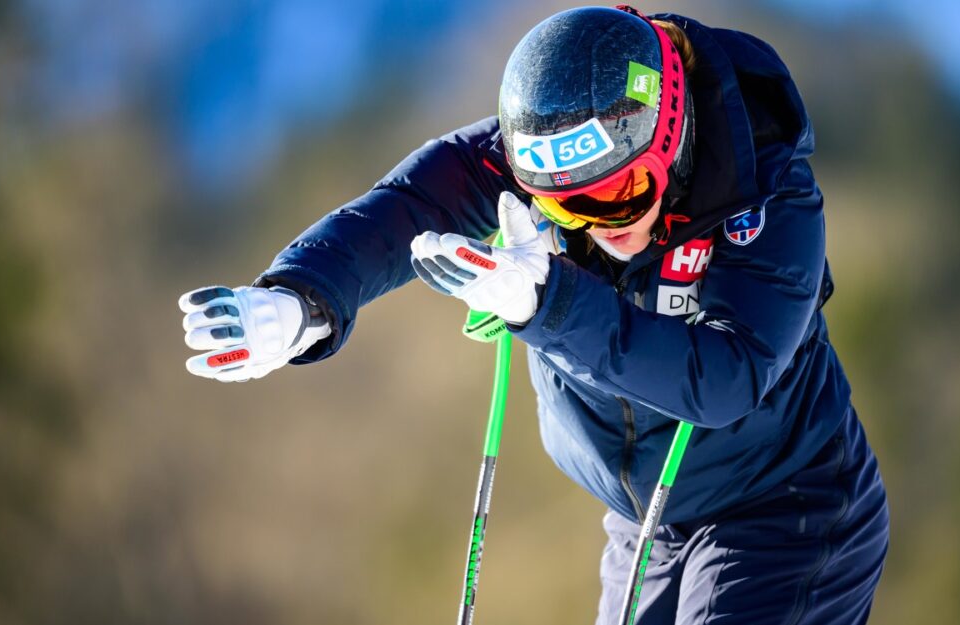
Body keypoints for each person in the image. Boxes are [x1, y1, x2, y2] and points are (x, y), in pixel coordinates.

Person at [178, 6, 889, 624]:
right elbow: (407, 208)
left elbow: (728, 379)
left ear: (671, 132)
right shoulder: (545, 149)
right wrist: (303, 298)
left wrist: (547, 301)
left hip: (787, 508)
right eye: (570, 205)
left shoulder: (767, 196)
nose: (606, 223)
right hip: (646, 522)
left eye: (626, 192)